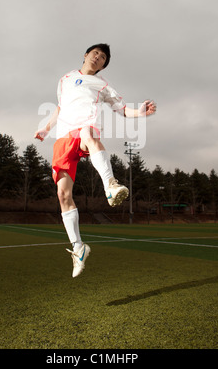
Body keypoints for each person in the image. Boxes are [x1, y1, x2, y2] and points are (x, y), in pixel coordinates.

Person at [35, 44, 156, 277]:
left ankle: (110, 184)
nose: (98, 57)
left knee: (89, 134)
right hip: (63, 139)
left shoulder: (103, 85)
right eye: (96, 53)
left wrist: (140, 112)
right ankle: (79, 248)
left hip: (84, 130)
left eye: (103, 58)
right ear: (86, 55)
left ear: (103, 65)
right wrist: (45, 129)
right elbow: (59, 108)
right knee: (63, 195)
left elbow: (121, 109)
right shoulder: (65, 79)